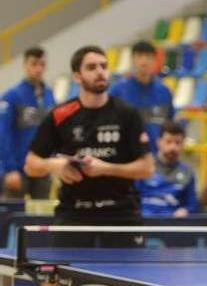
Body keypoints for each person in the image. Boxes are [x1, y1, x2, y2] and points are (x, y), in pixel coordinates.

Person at [24, 45, 154, 252]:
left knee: (129, 282)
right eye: (92, 67)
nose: (100, 71)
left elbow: (147, 168)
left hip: (120, 213)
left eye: (103, 66)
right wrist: (54, 165)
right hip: (74, 213)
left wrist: (106, 168)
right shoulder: (61, 115)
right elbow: (31, 165)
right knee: (56, 280)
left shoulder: (127, 114)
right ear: (77, 76)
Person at [0, 46, 56, 199]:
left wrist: (53, 161)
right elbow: (3, 134)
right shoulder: (11, 96)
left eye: (42, 64)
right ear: (25, 65)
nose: (38, 69)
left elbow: (54, 131)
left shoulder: (50, 95)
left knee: (42, 218)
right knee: (11, 218)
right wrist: (10, 169)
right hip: (18, 169)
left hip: (42, 168)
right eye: (34, 64)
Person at [109, 40, 174, 154]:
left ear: (155, 60)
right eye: (139, 56)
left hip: (155, 157)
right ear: (133, 59)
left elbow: (168, 124)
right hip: (125, 157)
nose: (144, 61)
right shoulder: (117, 91)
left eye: (148, 57)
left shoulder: (164, 92)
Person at [136, 120, 199, 217]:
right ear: (159, 142)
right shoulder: (144, 166)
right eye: (168, 142)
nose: (173, 147)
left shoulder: (188, 172)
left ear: (183, 144)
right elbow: (133, 197)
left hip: (171, 225)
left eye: (177, 143)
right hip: (143, 223)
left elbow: (192, 205)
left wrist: (185, 211)